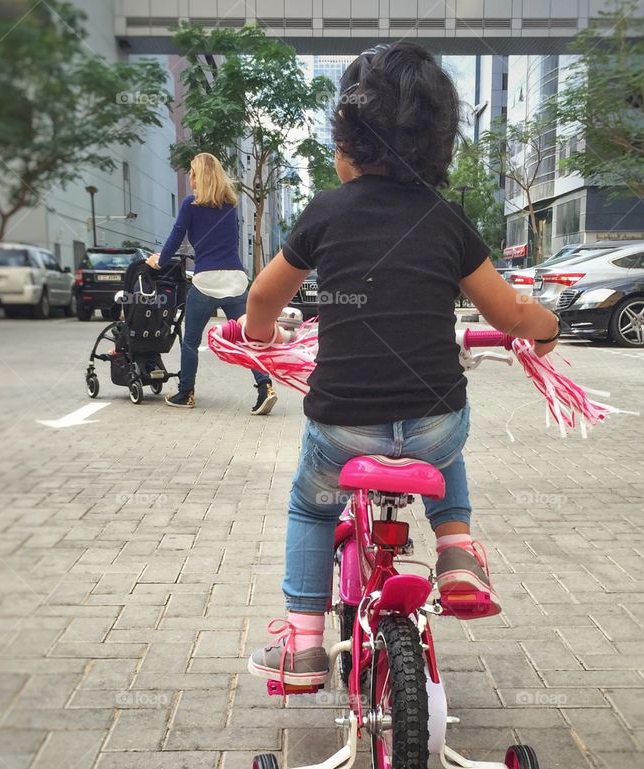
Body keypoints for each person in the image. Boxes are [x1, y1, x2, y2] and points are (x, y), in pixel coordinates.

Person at [240, 42, 562, 685]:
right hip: (431, 423)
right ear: (437, 144)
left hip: (341, 429)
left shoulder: (325, 213)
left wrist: (258, 334)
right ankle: (457, 553)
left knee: (312, 507)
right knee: (448, 442)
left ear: (348, 147)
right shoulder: (447, 220)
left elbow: (261, 296)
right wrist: (547, 327)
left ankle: (302, 645)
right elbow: (508, 314)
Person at [147, 153, 277, 414]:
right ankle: (265, 387)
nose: (190, 178)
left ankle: (186, 393)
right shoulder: (230, 204)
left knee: (191, 342)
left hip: (206, 281)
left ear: (199, 176)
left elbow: (176, 237)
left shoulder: (190, 204)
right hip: (236, 281)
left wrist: (159, 261)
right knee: (248, 339)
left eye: (192, 173)